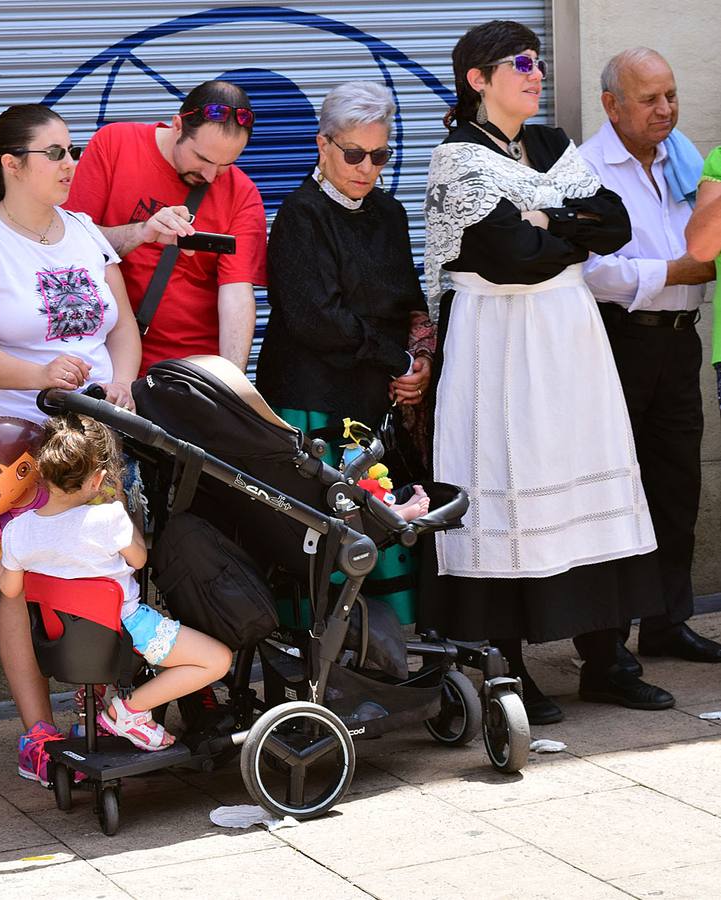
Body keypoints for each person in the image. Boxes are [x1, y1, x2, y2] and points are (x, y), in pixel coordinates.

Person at [419, 20, 672, 727]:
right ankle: (508, 670)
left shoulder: (552, 143)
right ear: (476, 78)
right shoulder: (455, 159)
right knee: (508, 483)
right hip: (499, 341)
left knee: (588, 473)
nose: (535, 73)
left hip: (568, 336)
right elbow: (509, 256)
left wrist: (542, 217)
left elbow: (614, 224)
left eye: (537, 62)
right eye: (520, 63)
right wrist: (563, 229)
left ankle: (606, 660)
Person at [0, 103, 140, 785]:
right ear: (11, 164)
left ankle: (115, 709)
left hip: (96, 440)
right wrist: (38, 375)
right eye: (53, 153)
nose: (68, 164)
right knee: (20, 583)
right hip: (17, 449)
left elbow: (122, 326)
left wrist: (125, 384)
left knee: (107, 570)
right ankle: (38, 730)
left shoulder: (85, 231)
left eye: (71, 150)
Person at [253, 81, 433, 621]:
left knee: (384, 531)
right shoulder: (300, 215)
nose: (366, 168)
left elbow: (409, 302)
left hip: (371, 402)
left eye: (379, 155)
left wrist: (418, 365)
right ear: (322, 145)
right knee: (323, 539)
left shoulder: (390, 212)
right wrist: (396, 361)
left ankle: (392, 664)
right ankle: (320, 673)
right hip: (309, 400)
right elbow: (317, 321)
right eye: (353, 154)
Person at [580, 48, 721, 667]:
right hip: (620, 339)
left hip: (679, 338)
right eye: (649, 100)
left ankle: (667, 623)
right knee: (613, 490)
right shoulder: (584, 169)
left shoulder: (683, 158)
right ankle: (605, 647)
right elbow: (588, 270)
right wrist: (674, 271)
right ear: (612, 105)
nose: (665, 110)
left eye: (670, 96)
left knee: (675, 485)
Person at [0, 414, 231, 750]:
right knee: (216, 659)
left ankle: (114, 712)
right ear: (98, 479)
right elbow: (139, 560)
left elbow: (9, 589)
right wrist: (118, 502)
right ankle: (130, 710)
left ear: (42, 474)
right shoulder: (108, 518)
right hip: (125, 632)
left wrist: (4, 563)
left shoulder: (18, 530)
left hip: (64, 641)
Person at [65, 79, 267, 373]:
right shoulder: (115, 144)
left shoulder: (243, 194)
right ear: (178, 125)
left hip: (185, 372)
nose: (211, 176)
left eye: (226, 164)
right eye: (203, 159)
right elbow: (69, 246)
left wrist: (231, 384)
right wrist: (140, 233)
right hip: (100, 359)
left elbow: (236, 294)